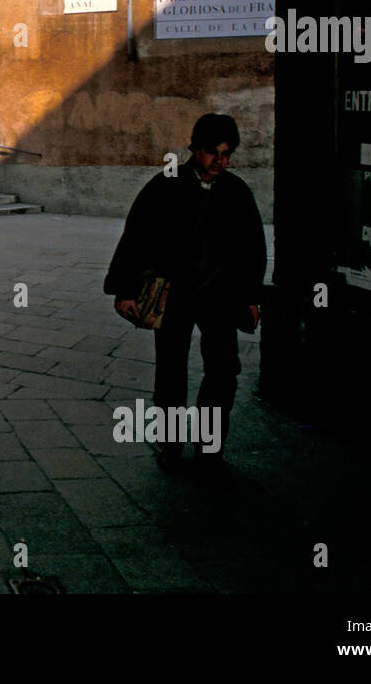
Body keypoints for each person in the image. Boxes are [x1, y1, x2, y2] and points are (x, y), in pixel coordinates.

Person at [104, 113, 265, 477]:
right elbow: (136, 236)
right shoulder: (165, 185)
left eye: (227, 154)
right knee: (171, 372)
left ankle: (210, 450)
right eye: (212, 153)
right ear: (195, 148)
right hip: (173, 295)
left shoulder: (236, 191)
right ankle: (171, 447)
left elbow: (253, 249)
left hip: (221, 297)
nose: (219, 162)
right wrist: (125, 290)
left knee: (223, 373)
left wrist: (251, 298)